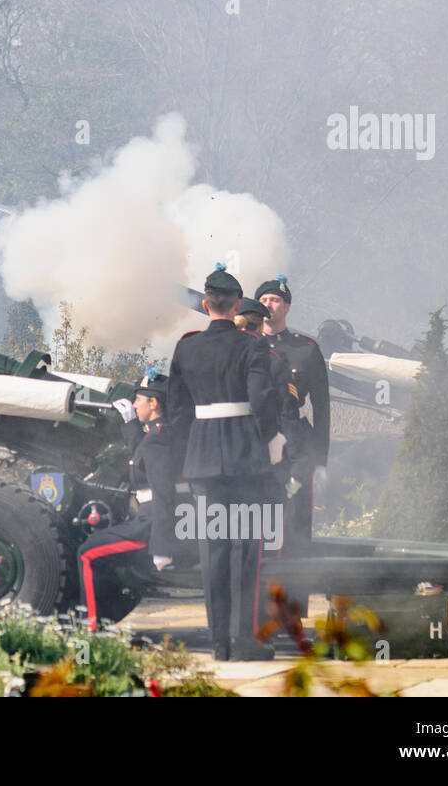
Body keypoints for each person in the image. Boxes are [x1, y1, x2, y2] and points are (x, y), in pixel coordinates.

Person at [167, 264, 283, 661]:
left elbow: (178, 414)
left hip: (203, 465)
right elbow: (264, 402)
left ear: (205, 304)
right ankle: (245, 640)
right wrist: (265, 440)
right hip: (246, 462)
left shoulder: (186, 347)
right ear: (236, 305)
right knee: (246, 552)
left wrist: (187, 460)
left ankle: (219, 643)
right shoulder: (253, 346)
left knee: (212, 551)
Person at [255, 276, 330, 618]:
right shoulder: (247, 345)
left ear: (286, 307)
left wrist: (322, 461)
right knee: (260, 523)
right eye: (264, 299)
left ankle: (295, 606)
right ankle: (262, 605)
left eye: (274, 300)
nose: (269, 305)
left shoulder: (307, 349)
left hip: (297, 446)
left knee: (298, 526)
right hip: (257, 442)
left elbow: (322, 408)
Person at [78, 368, 172, 630]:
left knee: (87, 553)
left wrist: (161, 545)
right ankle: (103, 623)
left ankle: (92, 632)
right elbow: (142, 453)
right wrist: (130, 423)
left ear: (154, 404)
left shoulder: (159, 440)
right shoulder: (157, 433)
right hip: (147, 517)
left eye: (138, 400)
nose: (134, 404)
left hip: (151, 523)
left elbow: (164, 492)